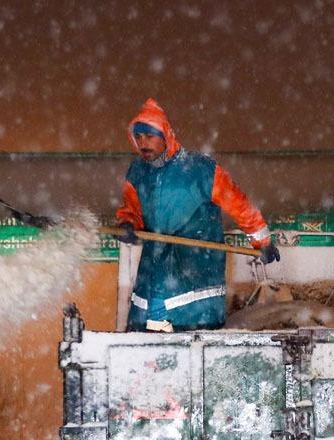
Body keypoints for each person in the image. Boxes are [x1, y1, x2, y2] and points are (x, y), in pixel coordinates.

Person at [114, 98, 280, 332]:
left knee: (194, 355)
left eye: (150, 136)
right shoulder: (137, 172)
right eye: (138, 137)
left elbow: (240, 205)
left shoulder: (200, 169)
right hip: (151, 285)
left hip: (194, 284)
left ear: (166, 135)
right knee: (145, 355)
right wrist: (127, 225)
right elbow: (132, 211)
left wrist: (262, 242)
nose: (143, 143)